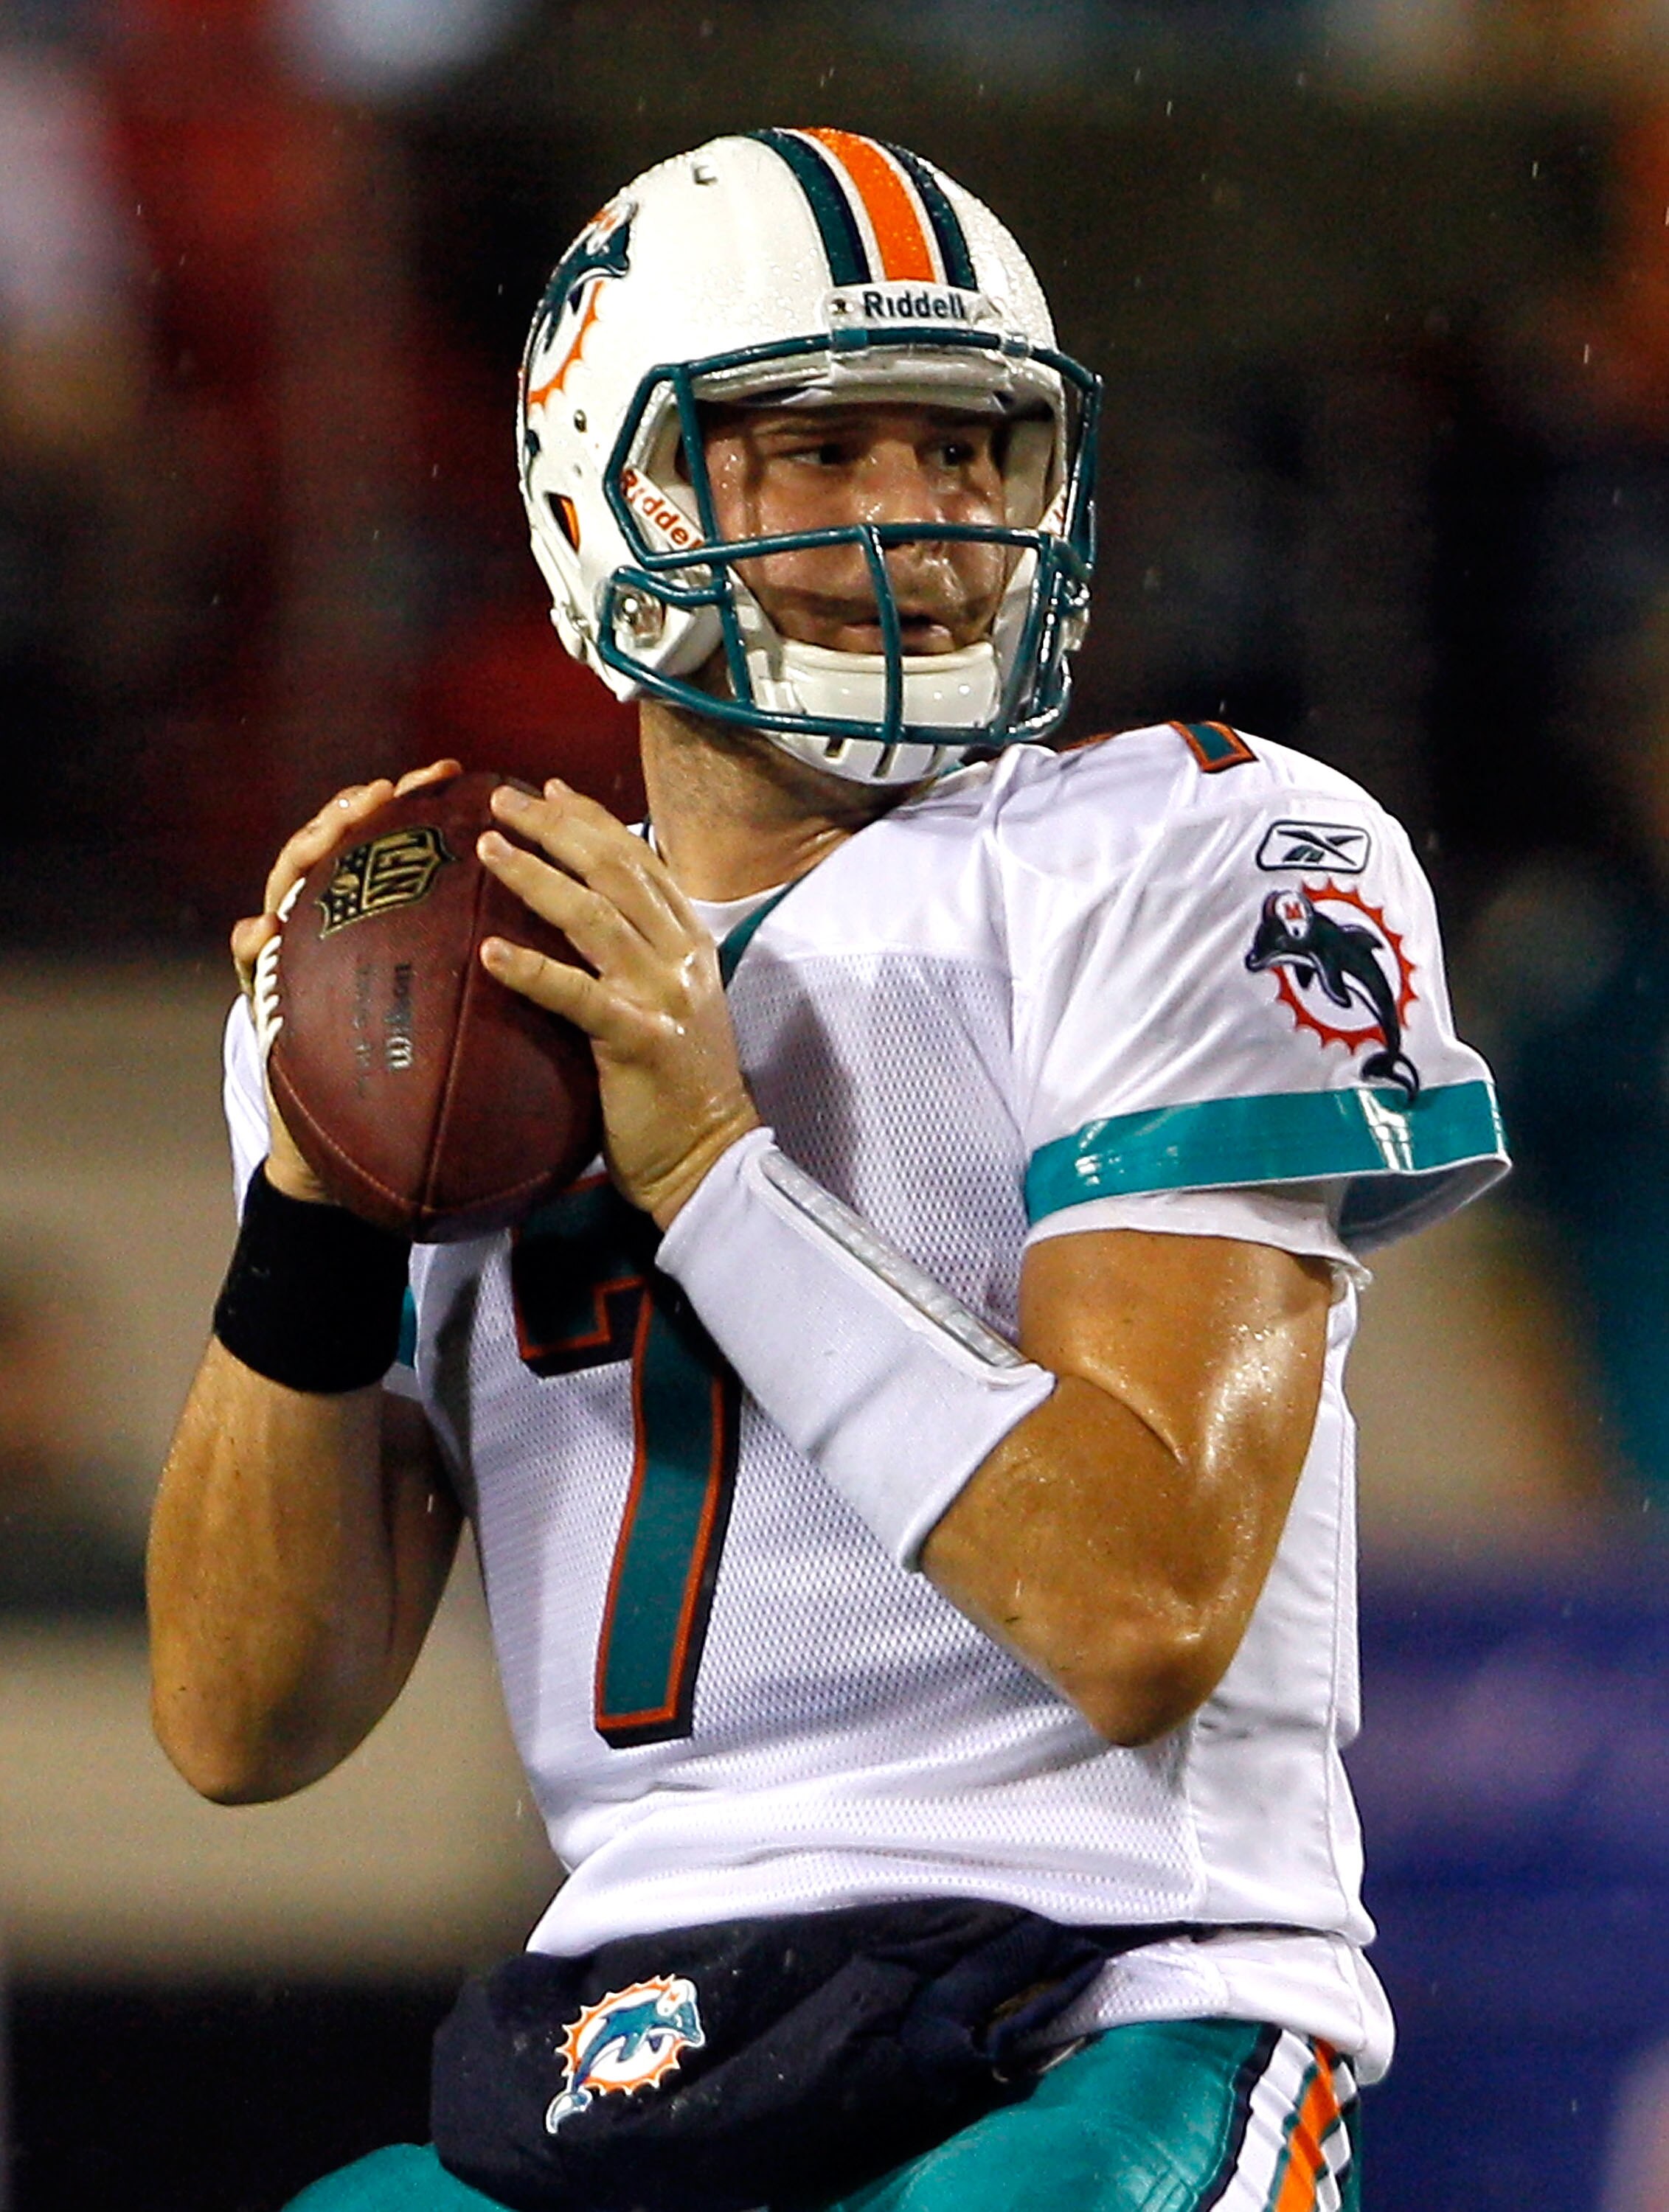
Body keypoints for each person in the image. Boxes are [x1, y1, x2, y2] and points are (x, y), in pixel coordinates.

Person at [148, 130, 1508, 2211]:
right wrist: (310, 1203)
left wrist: (716, 1171)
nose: (927, 526)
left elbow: (1141, 1606)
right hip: (622, 2042)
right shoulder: (448, 977)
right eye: (823, 449)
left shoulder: (1171, 853)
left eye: (971, 455)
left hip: (1102, 2005)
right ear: (611, 490)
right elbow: (245, 1723)